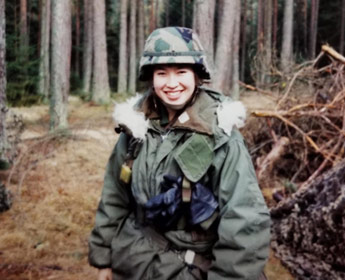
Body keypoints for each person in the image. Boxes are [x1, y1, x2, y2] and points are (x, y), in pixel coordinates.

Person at [88, 26, 270, 280]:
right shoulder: (136, 127)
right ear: (151, 77)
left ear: (197, 75)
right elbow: (114, 195)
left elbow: (246, 220)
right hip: (135, 261)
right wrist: (104, 257)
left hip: (193, 268)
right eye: (162, 73)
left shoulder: (220, 134)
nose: (172, 84)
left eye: (181, 72)